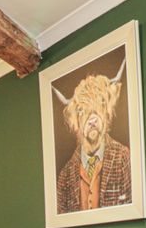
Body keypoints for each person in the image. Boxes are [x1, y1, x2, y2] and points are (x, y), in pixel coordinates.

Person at [53, 64, 132, 213]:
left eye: (100, 104)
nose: (92, 119)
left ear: (107, 110)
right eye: (83, 111)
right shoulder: (65, 175)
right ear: (75, 120)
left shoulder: (123, 157)